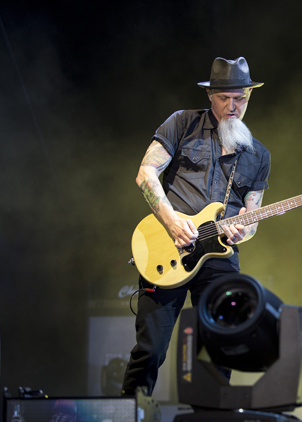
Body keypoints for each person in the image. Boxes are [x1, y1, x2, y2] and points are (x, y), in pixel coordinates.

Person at [122, 57, 271, 396]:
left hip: (219, 257)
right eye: (224, 98)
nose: (232, 106)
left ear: (249, 96)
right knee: (150, 349)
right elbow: (146, 173)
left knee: (222, 347)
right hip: (168, 246)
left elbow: (252, 218)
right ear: (210, 95)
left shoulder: (258, 155)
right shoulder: (181, 123)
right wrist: (172, 220)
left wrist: (243, 230)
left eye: (240, 98)